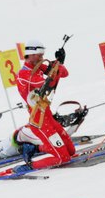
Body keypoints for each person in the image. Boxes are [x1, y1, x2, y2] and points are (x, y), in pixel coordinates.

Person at [13, 39, 75, 171]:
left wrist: (58, 62)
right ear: (30, 54)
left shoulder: (39, 66)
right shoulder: (24, 74)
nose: (42, 57)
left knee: (71, 151)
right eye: (39, 55)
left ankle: (34, 148)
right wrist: (56, 65)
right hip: (40, 123)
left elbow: (64, 73)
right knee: (62, 158)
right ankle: (29, 166)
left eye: (42, 54)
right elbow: (48, 83)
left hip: (48, 118)